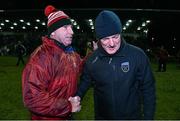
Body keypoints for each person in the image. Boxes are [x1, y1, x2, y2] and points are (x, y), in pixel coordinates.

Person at [74, 10, 156, 120]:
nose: (112, 44)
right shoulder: (93, 60)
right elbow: (85, 82)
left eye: (115, 37)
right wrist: (77, 97)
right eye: (105, 39)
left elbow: (148, 89)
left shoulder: (137, 55)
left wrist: (148, 118)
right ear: (98, 39)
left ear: (120, 33)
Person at [22, 5, 82, 120]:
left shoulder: (70, 53)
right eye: (65, 27)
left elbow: (82, 67)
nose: (72, 32)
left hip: (66, 116)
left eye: (71, 27)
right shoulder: (41, 57)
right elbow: (32, 97)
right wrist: (67, 106)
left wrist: (94, 54)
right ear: (53, 32)